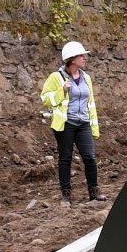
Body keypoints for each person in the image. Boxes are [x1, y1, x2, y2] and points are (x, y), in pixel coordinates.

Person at [40, 41, 107, 206]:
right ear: (71, 59)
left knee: (90, 157)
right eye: (81, 55)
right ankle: (66, 196)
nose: (84, 58)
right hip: (66, 123)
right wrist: (61, 90)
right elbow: (45, 99)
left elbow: (90, 103)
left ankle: (94, 192)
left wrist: (94, 125)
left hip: (83, 123)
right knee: (65, 158)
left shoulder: (87, 78)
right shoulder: (56, 77)